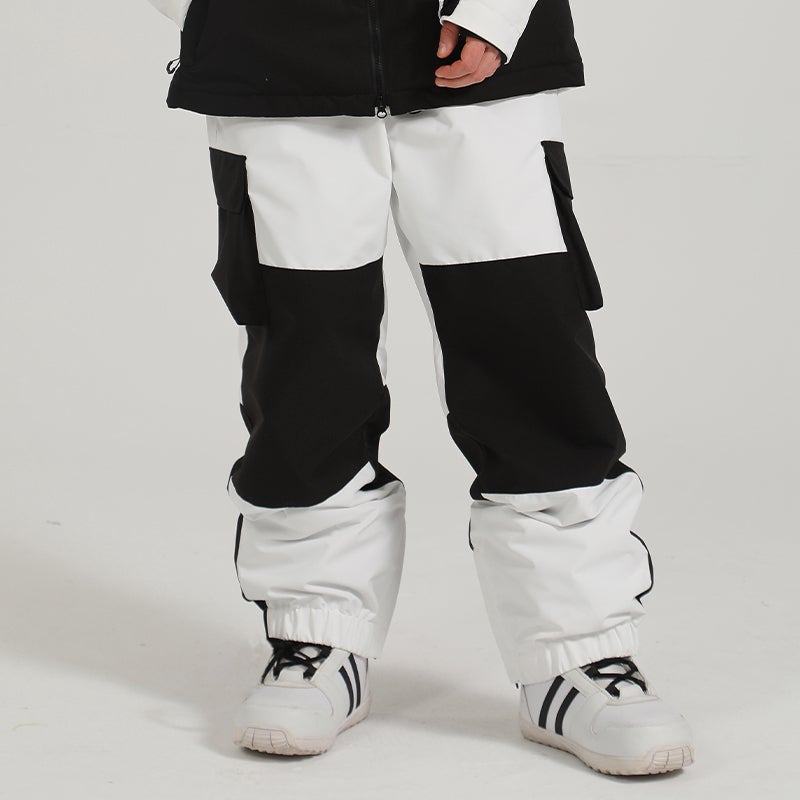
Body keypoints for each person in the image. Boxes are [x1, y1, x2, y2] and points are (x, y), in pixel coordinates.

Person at [147, 0, 694, 776]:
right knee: (303, 365)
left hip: (481, 69)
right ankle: (318, 638)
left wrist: (498, 11)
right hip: (276, 70)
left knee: (531, 352)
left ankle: (576, 653)